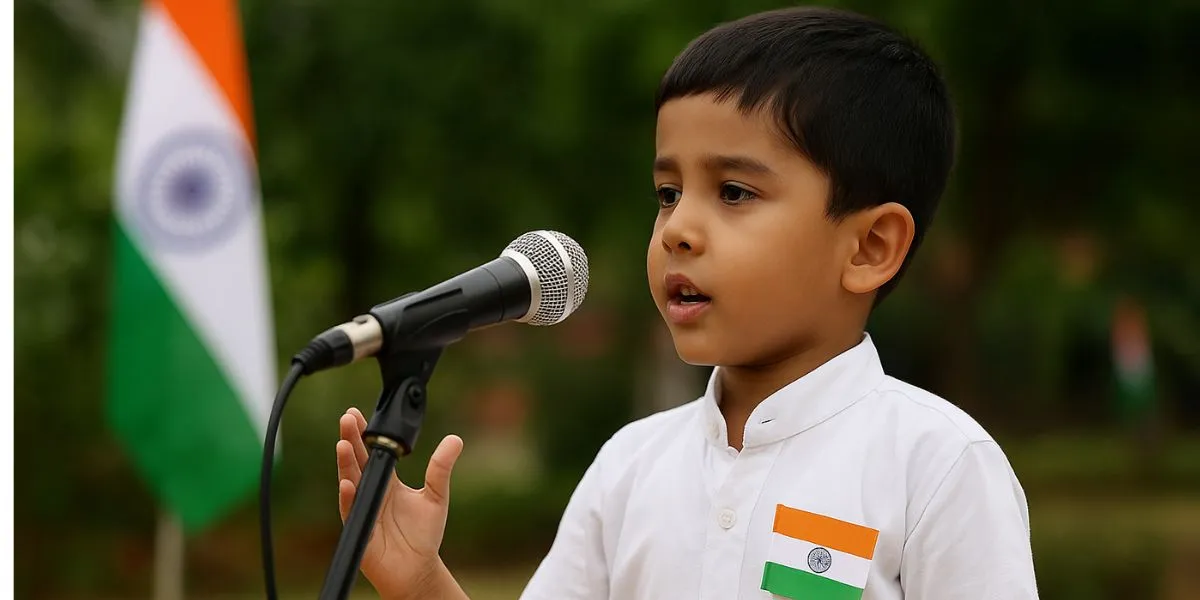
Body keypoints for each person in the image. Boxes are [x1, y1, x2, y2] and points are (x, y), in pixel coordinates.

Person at [334, 6, 1038, 599]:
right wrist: (420, 583)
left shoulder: (937, 466)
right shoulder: (630, 468)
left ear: (869, 248)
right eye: (668, 194)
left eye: (734, 192)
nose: (678, 230)